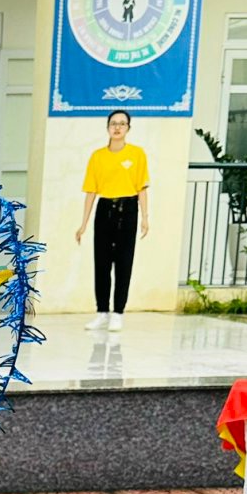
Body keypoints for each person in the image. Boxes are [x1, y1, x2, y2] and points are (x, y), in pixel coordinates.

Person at [76, 109, 149, 332]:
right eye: (113, 123)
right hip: (105, 209)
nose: (117, 127)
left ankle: (118, 313)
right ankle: (102, 312)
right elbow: (91, 191)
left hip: (128, 209)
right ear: (107, 127)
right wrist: (83, 224)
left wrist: (145, 217)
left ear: (128, 128)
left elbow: (142, 188)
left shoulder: (137, 154)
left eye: (122, 123)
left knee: (124, 263)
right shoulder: (97, 156)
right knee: (102, 263)